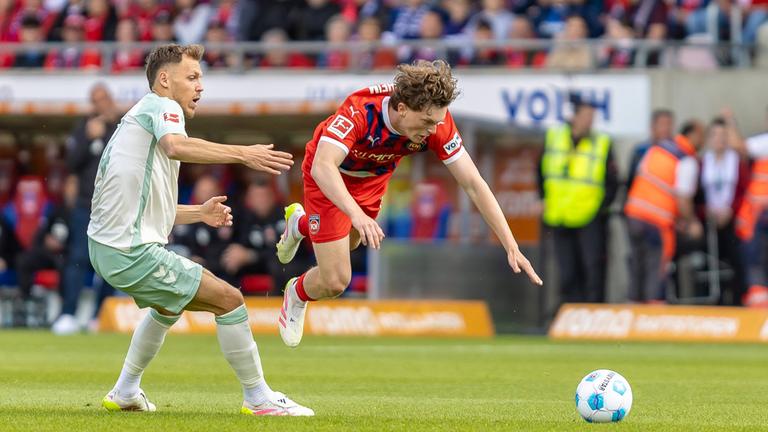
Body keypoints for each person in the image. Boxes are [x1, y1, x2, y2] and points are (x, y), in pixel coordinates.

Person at [88, 44, 312, 416]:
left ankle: (125, 390)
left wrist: (198, 213)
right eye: (192, 77)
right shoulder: (163, 107)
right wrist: (244, 153)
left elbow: (142, 208)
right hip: (130, 252)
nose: (200, 86)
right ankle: (259, 399)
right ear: (164, 80)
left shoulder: (137, 120)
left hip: (109, 247)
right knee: (229, 300)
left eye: (201, 78)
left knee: (165, 307)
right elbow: (176, 146)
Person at [275, 60, 542, 348]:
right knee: (336, 281)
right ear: (401, 108)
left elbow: (474, 184)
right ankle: (297, 293)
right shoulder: (360, 110)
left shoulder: (437, 122)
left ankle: (300, 224)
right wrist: (356, 214)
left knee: (350, 242)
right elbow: (323, 166)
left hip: (372, 179)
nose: (433, 129)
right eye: (427, 122)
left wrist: (510, 245)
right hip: (329, 174)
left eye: (438, 122)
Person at [52, 83, 120, 335]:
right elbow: (70, 163)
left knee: (111, 265)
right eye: (95, 99)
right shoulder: (84, 127)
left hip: (113, 208)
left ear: (110, 100)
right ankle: (68, 314)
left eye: (103, 98)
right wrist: (89, 137)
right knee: (78, 260)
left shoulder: (123, 127)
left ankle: (98, 317)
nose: (100, 103)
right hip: (86, 206)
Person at [538, 97, 618, 304]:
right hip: (559, 214)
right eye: (586, 116)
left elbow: (612, 182)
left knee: (592, 268)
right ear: (574, 116)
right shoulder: (554, 137)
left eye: (592, 117)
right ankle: (569, 313)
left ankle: (592, 315)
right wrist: (542, 198)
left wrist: (601, 209)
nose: (590, 121)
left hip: (589, 216)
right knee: (566, 271)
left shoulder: (601, 143)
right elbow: (540, 170)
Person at [624, 120, 705, 302]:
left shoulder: (657, 149)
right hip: (657, 220)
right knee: (657, 267)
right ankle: (654, 310)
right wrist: (692, 223)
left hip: (634, 214)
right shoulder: (686, 160)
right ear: (693, 135)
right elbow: (683, 199)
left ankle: (633, 307)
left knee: (637, 263)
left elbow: (640, 174)